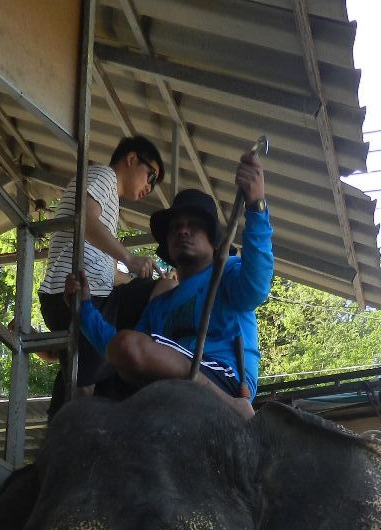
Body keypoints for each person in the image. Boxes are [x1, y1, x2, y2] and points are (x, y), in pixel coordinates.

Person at [67, 149, 272, 419]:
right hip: (170, 389)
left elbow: (257, 286)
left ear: (214, 241)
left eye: (194, 225)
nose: (182, 230)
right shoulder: (160, 305)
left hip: (225, 375)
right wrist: (84, 310)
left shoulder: (228, 273)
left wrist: (256, 205)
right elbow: (121, 348)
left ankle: (230, 405)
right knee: (122, 357)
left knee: (129, 347)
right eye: (175, 227)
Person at [37, 134, 165, 389]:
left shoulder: (109, 203)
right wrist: (129, 259)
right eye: (151, 176)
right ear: (131, 159)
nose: (150, 188)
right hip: (74, 293)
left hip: (82, 295)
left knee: (107, 377)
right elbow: (85, 220)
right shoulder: (103, 176)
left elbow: (103, 263)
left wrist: (133, 275)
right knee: (163, 293)